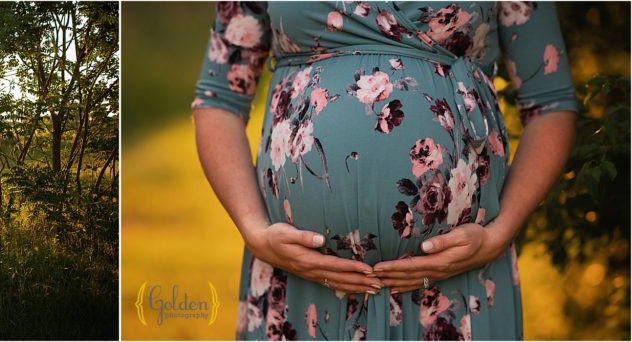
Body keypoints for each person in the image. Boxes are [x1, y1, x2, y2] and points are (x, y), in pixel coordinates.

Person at [192, 2, 576, 340]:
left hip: (454, 284)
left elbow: (550, 103)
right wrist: (254, 230)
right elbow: (218, 98)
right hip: (297, 283)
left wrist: (499, 233)